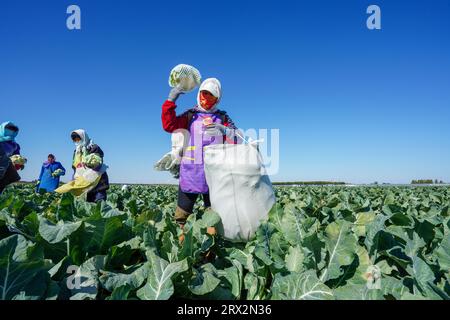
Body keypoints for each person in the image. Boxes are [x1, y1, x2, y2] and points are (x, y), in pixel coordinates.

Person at [161, 78, 240, 240]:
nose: (206, 100)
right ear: (199, 94)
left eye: (212, 96)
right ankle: (180, 251)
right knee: (181, 216)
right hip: (191, 173)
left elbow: (238, 138)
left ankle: (209, 252)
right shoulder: (190, 115)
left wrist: (223, 130)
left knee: (213, 218)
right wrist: (170, 100)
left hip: (215, 176)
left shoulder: (223, 117)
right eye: (204, 94)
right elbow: (169, 125)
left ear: (218, 98)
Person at [70, 129, 110, 202]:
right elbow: (75, 166)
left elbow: (98, 161)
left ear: (83, 137)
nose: (77, 141)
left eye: (78, 139)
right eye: (75, 140)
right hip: (85, 181)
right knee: (88, 204)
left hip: (98, 180)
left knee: (99, 202)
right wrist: (74, 178)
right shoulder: (77, 152)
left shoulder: (93, 147)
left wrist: (88, 163)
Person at [0, 122, 25, 194]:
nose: (10, 132)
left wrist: (18, 163)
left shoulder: (14, 144)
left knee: (9, 178)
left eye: (12, 130)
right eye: (8, 129)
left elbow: (16, 155)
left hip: (5, 166)